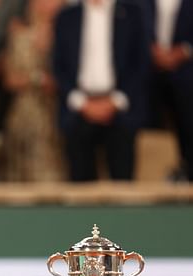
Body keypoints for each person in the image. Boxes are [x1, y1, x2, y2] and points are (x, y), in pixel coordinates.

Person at [53, 0, 150, 181]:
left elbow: (141, 63)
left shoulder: (132, 13)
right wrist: (82, 102)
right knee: (80, 187)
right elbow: (58, 67)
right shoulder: (66, 17)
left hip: (120, 111)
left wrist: (116, 100)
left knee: (122, 183)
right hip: (78, 111)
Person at [2, 0, 66, 182]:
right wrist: (38, 79)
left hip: (55, 117)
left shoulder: (69, 34)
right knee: (19, 175)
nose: (46, 5)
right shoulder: (19, 36)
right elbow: (10, 79)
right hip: (23, 116)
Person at [144, 0, 193, 181]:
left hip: (187, 74)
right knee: (149, 131)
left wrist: (184, 51)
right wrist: (151, 50)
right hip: (149, 74)